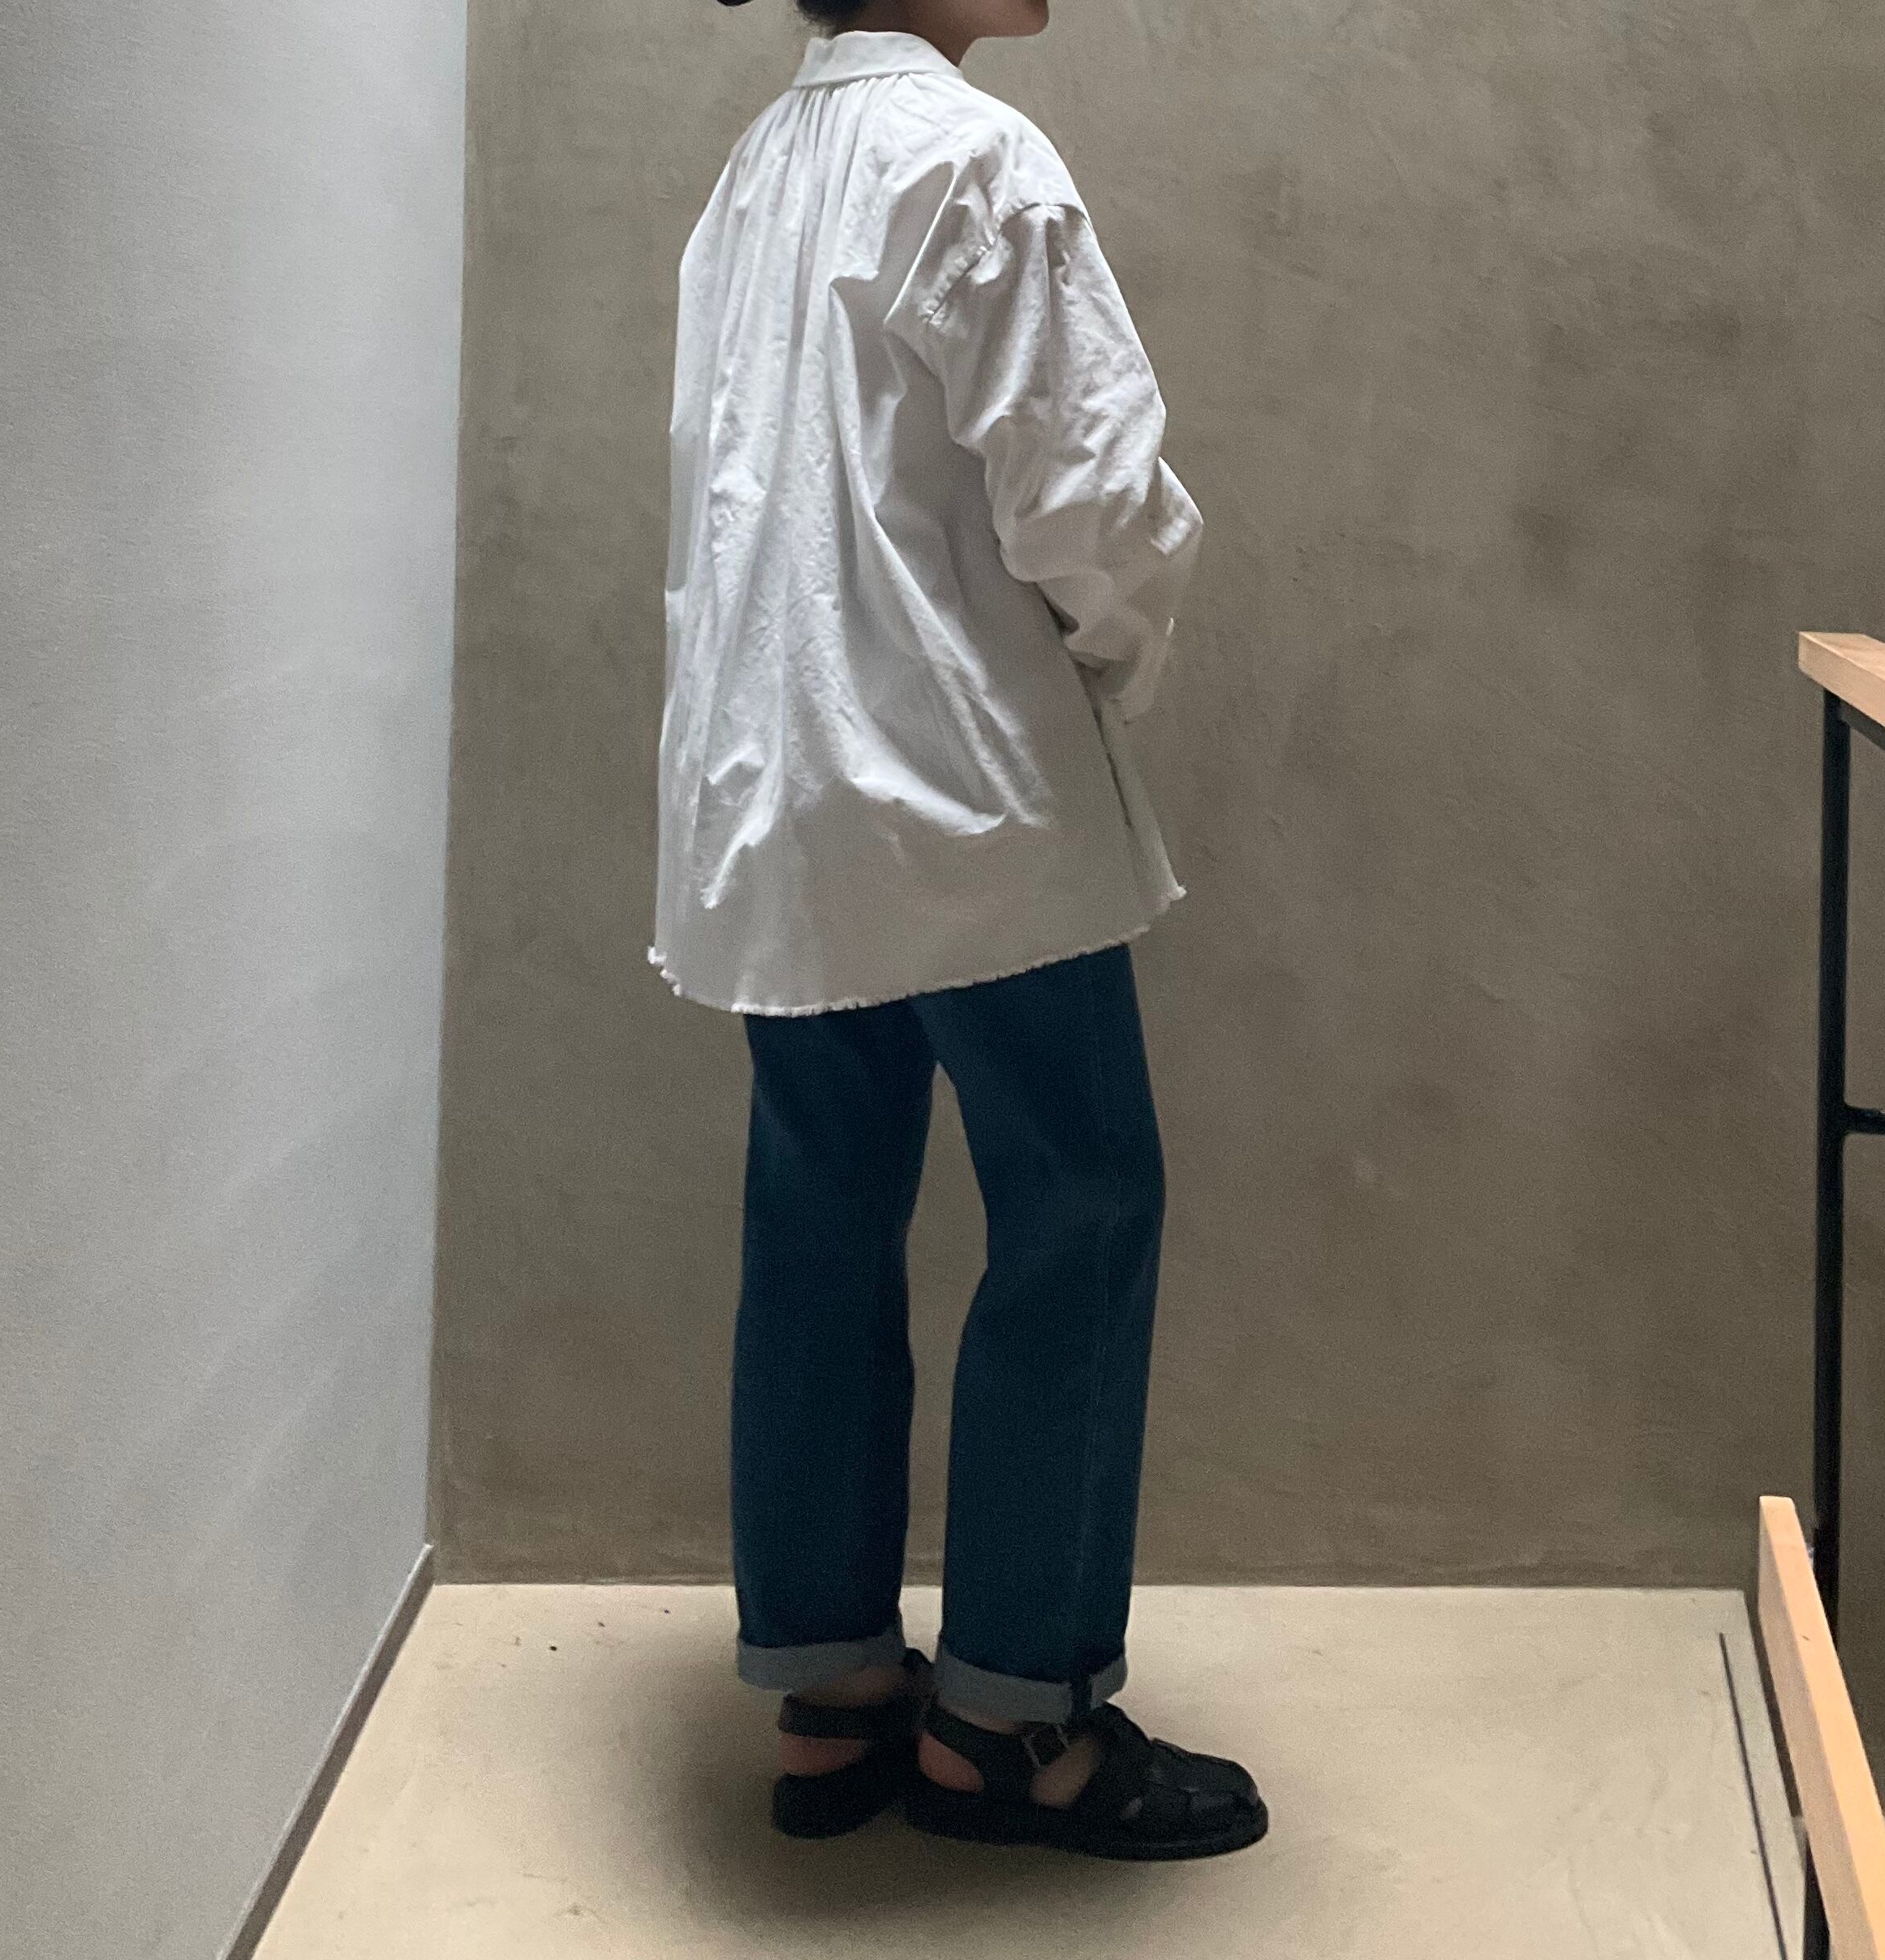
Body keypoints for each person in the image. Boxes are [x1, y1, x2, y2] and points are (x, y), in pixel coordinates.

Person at [655, 0, 1267, 1861]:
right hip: (960, 789)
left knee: (818, 1216)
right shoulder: (970, 158)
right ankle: (1014, 1721)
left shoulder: (753, 173)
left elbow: (725, 487)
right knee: (1078, 1205)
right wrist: (1117, 660)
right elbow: (1091, 501)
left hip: (776, 791)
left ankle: (834, 1683)